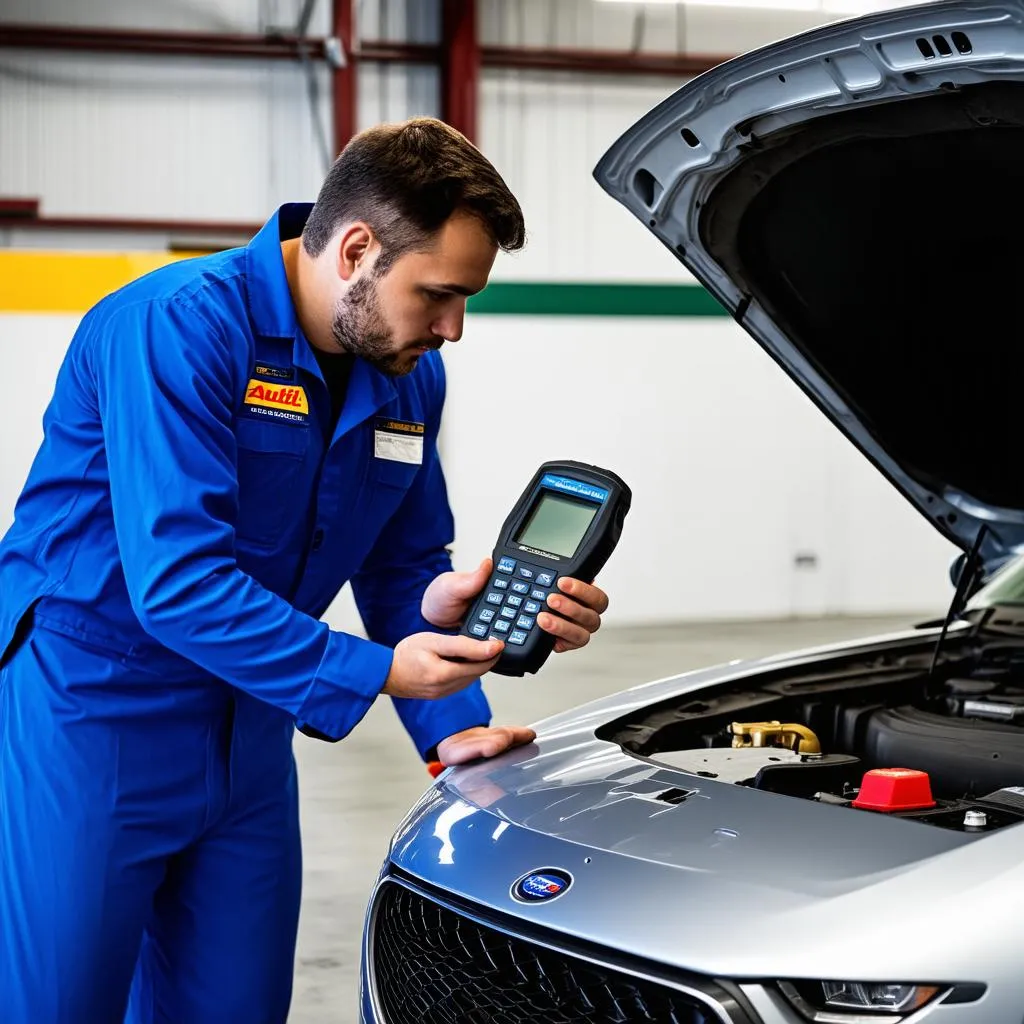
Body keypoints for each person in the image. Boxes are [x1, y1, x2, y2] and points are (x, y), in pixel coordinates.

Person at [0, 117, 610, 1023]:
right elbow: (176, 581)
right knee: (60, 1004)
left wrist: (452, 718)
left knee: (235, 1006)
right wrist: (376, 668)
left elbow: (407, 567)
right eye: (440, 294)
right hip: (95, 715)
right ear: (357, 248)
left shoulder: (406, 376)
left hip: (249, 731)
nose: (454, 328)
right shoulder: (175, 328)